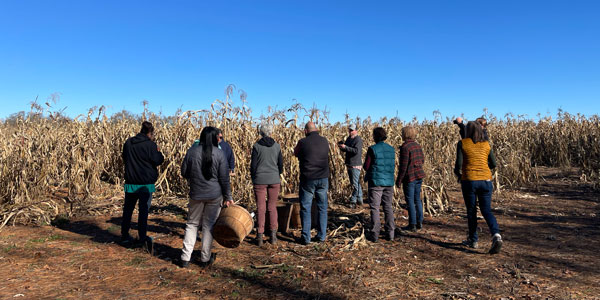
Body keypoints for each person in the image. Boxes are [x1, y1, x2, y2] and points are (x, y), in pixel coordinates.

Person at [180, 126, 234, 268]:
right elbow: (224, 179)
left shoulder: (191, 152)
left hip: (196, 194)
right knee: (208, 226)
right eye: (218, 137)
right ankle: (205, 258)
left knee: (192, 224)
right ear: (214, 138)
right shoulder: (219, 154)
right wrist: (228, 196)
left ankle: (185, 258)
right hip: (214, 195)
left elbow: (184, 172)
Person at [454, 121, 503, 254]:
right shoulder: (486, 144)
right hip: (486, 180)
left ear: (467, 131)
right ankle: (496, 235)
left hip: (469, 180)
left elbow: (458, 164)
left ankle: (473, 240)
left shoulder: (463, 143)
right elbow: (493, 163)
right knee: (487, 210)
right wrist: (483, 166)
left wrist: (459, 174)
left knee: (471, 211)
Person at [121, 121, 164, 254]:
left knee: (128, 209)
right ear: (150, 133)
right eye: (153, 135)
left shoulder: (128, 142)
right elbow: (158, 160)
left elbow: (124, 158)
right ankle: (142, 237)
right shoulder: (150, 145)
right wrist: (159, 152)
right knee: (143, 211)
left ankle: (124, 235)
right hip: (145, 184)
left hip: (131, 182)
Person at [294, 122, 330, 245]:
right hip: (323, 178)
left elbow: (296, 153)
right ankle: (321, 236)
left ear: (305, 131)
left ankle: (306, 237)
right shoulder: (325, 141)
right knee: (322, 207)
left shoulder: (302, 142)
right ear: (317, 129)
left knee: (305, 207)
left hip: (308, 179)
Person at [250, 123, 284, 246]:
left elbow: (253, 165)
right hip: (274, 179)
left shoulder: (256, 146)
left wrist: (254, 177)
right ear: (270, 132)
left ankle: (259, 236)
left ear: (261, 133)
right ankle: (273, 236)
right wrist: (276, 173)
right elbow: (280, 164)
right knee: (272, 206)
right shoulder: (277, 146)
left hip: (260, 179)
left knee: (260, 207)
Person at [363, 127, 396, 242]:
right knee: (388, 207)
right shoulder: (391, 149)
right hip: (389, 182)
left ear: (375, 136)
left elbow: (366, 166)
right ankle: (391, 233)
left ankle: (375, 234)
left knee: (375, 208)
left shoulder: (372, 149)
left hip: (376, 182)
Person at [396, 126, 426, 232]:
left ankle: (412, 224)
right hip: (419, 175)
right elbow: (422, 160)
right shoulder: (417, 145)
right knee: (417, 198)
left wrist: (399, 180)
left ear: (405, 134)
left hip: (410, 177)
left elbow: (403, 166)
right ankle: (419, 222)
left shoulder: (405, 147)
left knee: (410, 200)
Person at [338, 124, 363, 209]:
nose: (350, 131)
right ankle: (360, 199)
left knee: (355, 184)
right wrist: (342, 146)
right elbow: (347, 149)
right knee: (356, 183)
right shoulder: (349, 139)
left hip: (355, 164)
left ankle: (353, 201)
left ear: (356, 130)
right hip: (349, 163)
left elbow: (356, 151)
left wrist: (346, 147)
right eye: (349, 130)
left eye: (352, 130)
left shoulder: (358, 140)